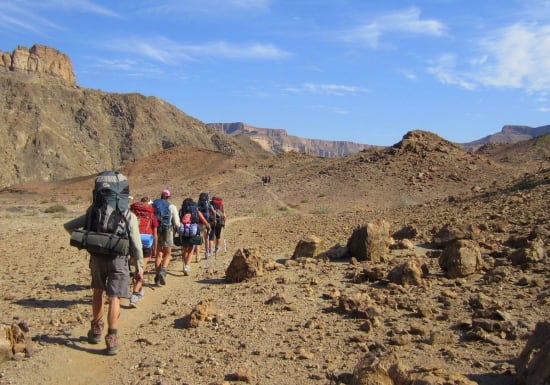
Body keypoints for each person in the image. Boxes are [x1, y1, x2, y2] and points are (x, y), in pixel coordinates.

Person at [64, 172, 143, 356]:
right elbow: (137, 246)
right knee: (114, 297)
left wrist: (89, 240)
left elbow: (69, 226)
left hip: (96, 258)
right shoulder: (128, 215)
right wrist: (140, 268)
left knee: (97, 291)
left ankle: (96, 330)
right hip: (119, 260)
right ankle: (112, 338)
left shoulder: (93, 211)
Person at [129, 196, 158, 307]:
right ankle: (134, 295)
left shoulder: (133, 214)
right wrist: (155, 248)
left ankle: (139, 290)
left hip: (133, 243)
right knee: (141, 270)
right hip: (146, 243)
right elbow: (155, 233)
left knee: (137, 268)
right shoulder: (152, 215)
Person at [153, 189, 180, 286]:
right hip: (168, 230)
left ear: (161, 195)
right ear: (168, 197)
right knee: (168, 253)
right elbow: (177, 223)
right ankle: (163, 270)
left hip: (157, 231)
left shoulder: (154, 204)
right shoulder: (172, 206)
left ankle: (157, 279)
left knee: (159, 254)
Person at [178, 197, 210, 275]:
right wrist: (207, 224)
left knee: (185, 249)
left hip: (184, 231)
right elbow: (202, 218)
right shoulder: (195, 209)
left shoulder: (182, 211)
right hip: (193, 231)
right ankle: (187, 266)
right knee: (191, 250)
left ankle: (185, 265)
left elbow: (178, 221)